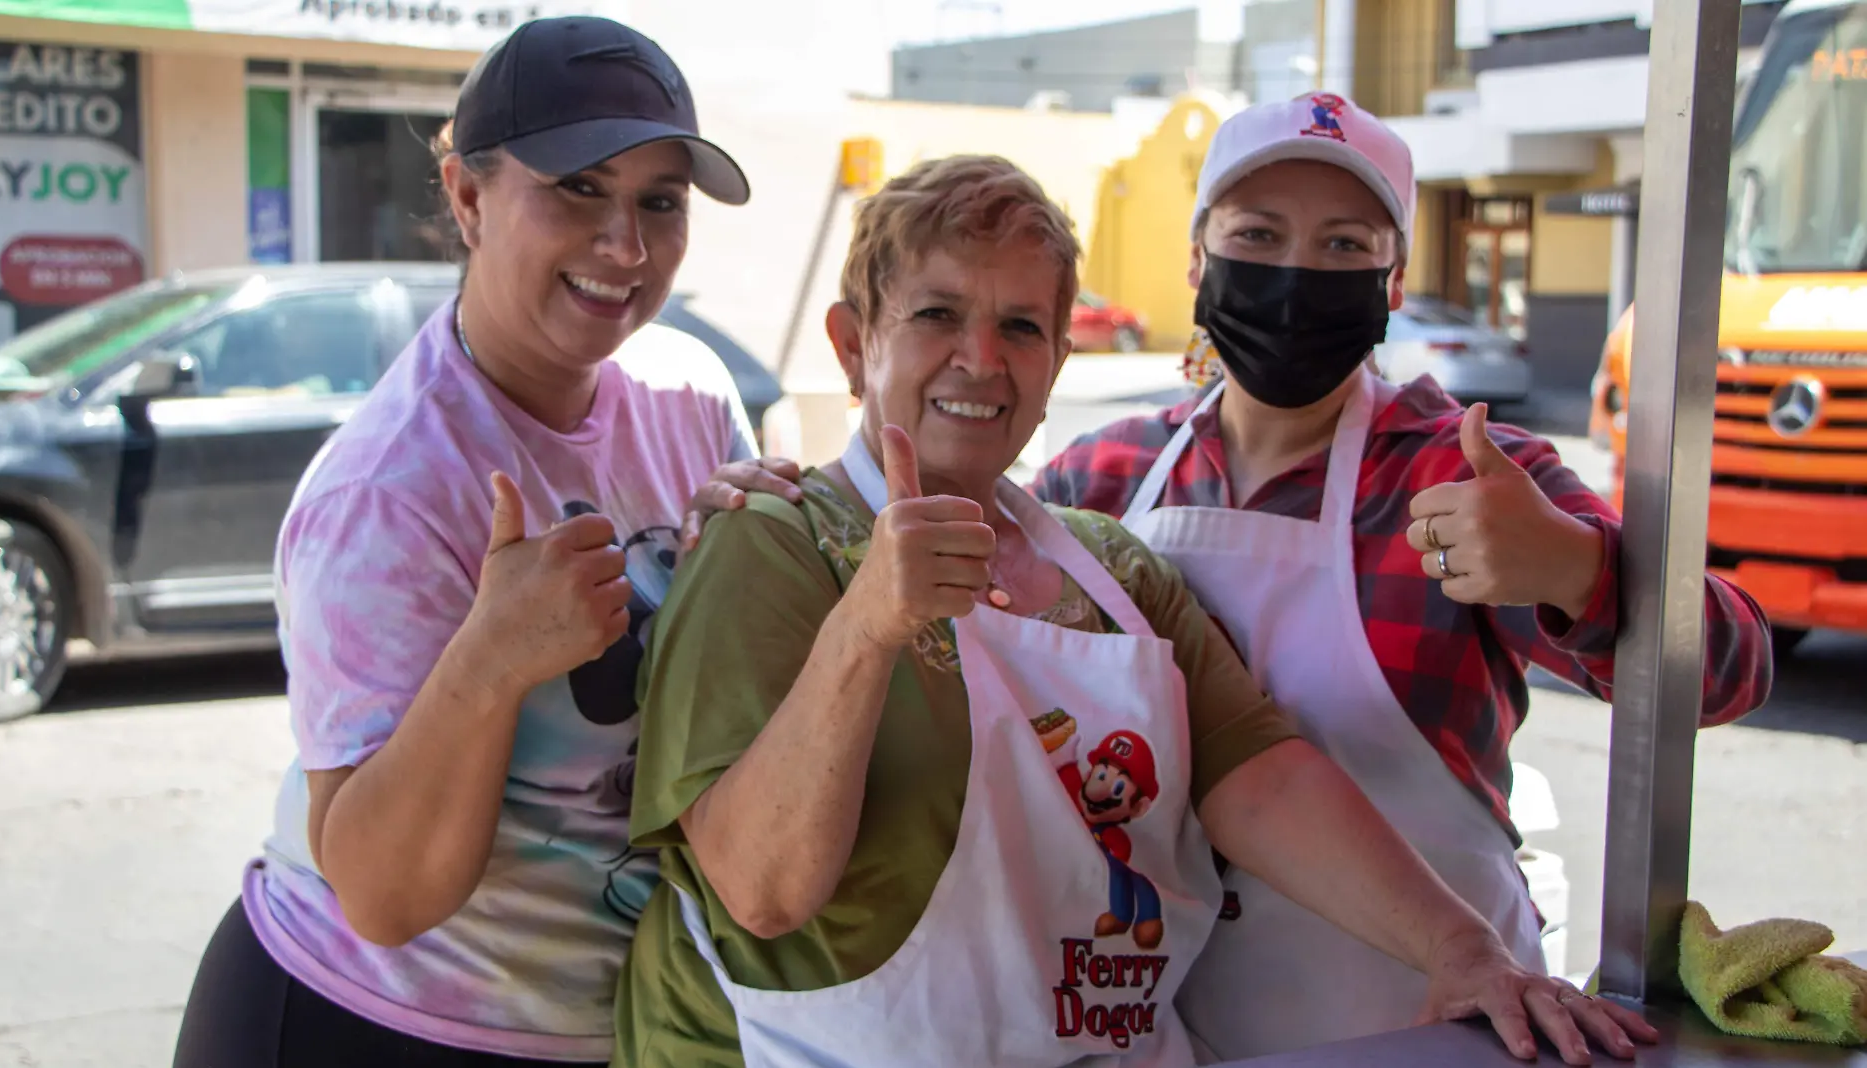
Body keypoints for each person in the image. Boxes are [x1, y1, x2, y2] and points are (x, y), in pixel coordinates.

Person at [614, 154, 1653, 1068]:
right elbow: (759, 892)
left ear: (1057, 360)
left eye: (1020, 325)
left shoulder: (1111, 563)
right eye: (936, 314)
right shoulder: (775, 540)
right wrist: (866, 629)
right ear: (852, 344)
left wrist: (1462, 948)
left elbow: (1257, 777)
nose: (981, 358)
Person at [1031, 92, 1772, 1062]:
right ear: (1197, 258)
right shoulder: (1102, 477)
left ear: (1392, 282)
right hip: (1166, 1032)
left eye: (1344, 246)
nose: (1296, 274)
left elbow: (1730, 668)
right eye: (1257, 234)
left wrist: (1575, 567)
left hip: (1441, 1024)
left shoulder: (1464, 471)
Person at [170, 17, 788, 1068]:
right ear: (466, 196)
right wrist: (490, 662)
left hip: (603, 1026)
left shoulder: (689, 397)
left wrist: (761, 554)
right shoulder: (391, 489)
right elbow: (383, 894)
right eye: (578, 189)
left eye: (659, 202)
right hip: (360, 1023)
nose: (625, 246)